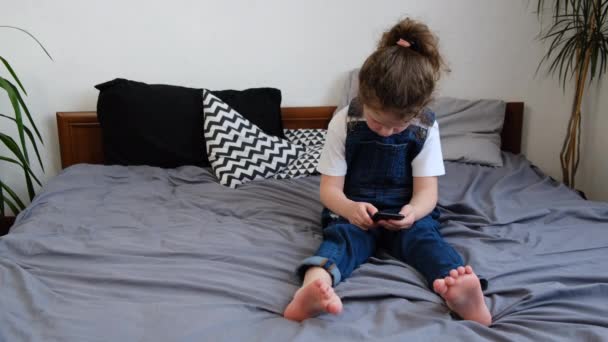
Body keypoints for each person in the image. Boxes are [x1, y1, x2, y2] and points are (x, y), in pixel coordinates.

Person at [283, 18, 492, 326]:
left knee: (426, 240)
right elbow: (329, 191)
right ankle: (314, 289)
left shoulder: (425, 127)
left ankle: (460, 291)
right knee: (341, 241)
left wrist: (411, 212)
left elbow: (426, 193)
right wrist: (350, 209)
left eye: (398, 126)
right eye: (377, 122)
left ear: (417, 112)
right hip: (353, 210)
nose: (386, 132)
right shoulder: (344, 122)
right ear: (363, 97)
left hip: (405, 213)